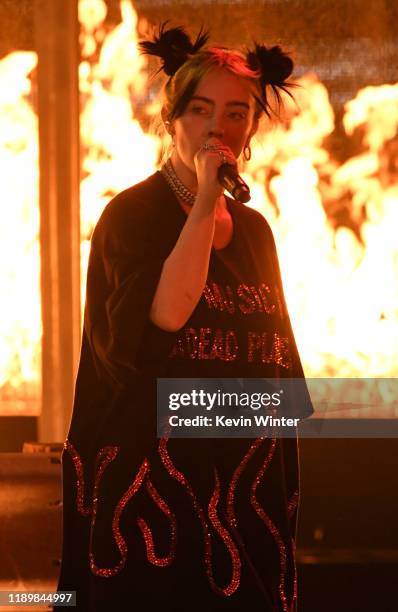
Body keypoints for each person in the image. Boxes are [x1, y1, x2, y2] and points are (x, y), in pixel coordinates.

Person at [56, 24, 313, 612]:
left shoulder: (255, 234)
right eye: (200, 110)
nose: (217, 127)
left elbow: (281, 382)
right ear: (171, 118)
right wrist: (202, 198)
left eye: (235, 113)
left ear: (251, 129)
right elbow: (167, 316)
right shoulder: (132, 216)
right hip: (152, 503)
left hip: (245, 490)